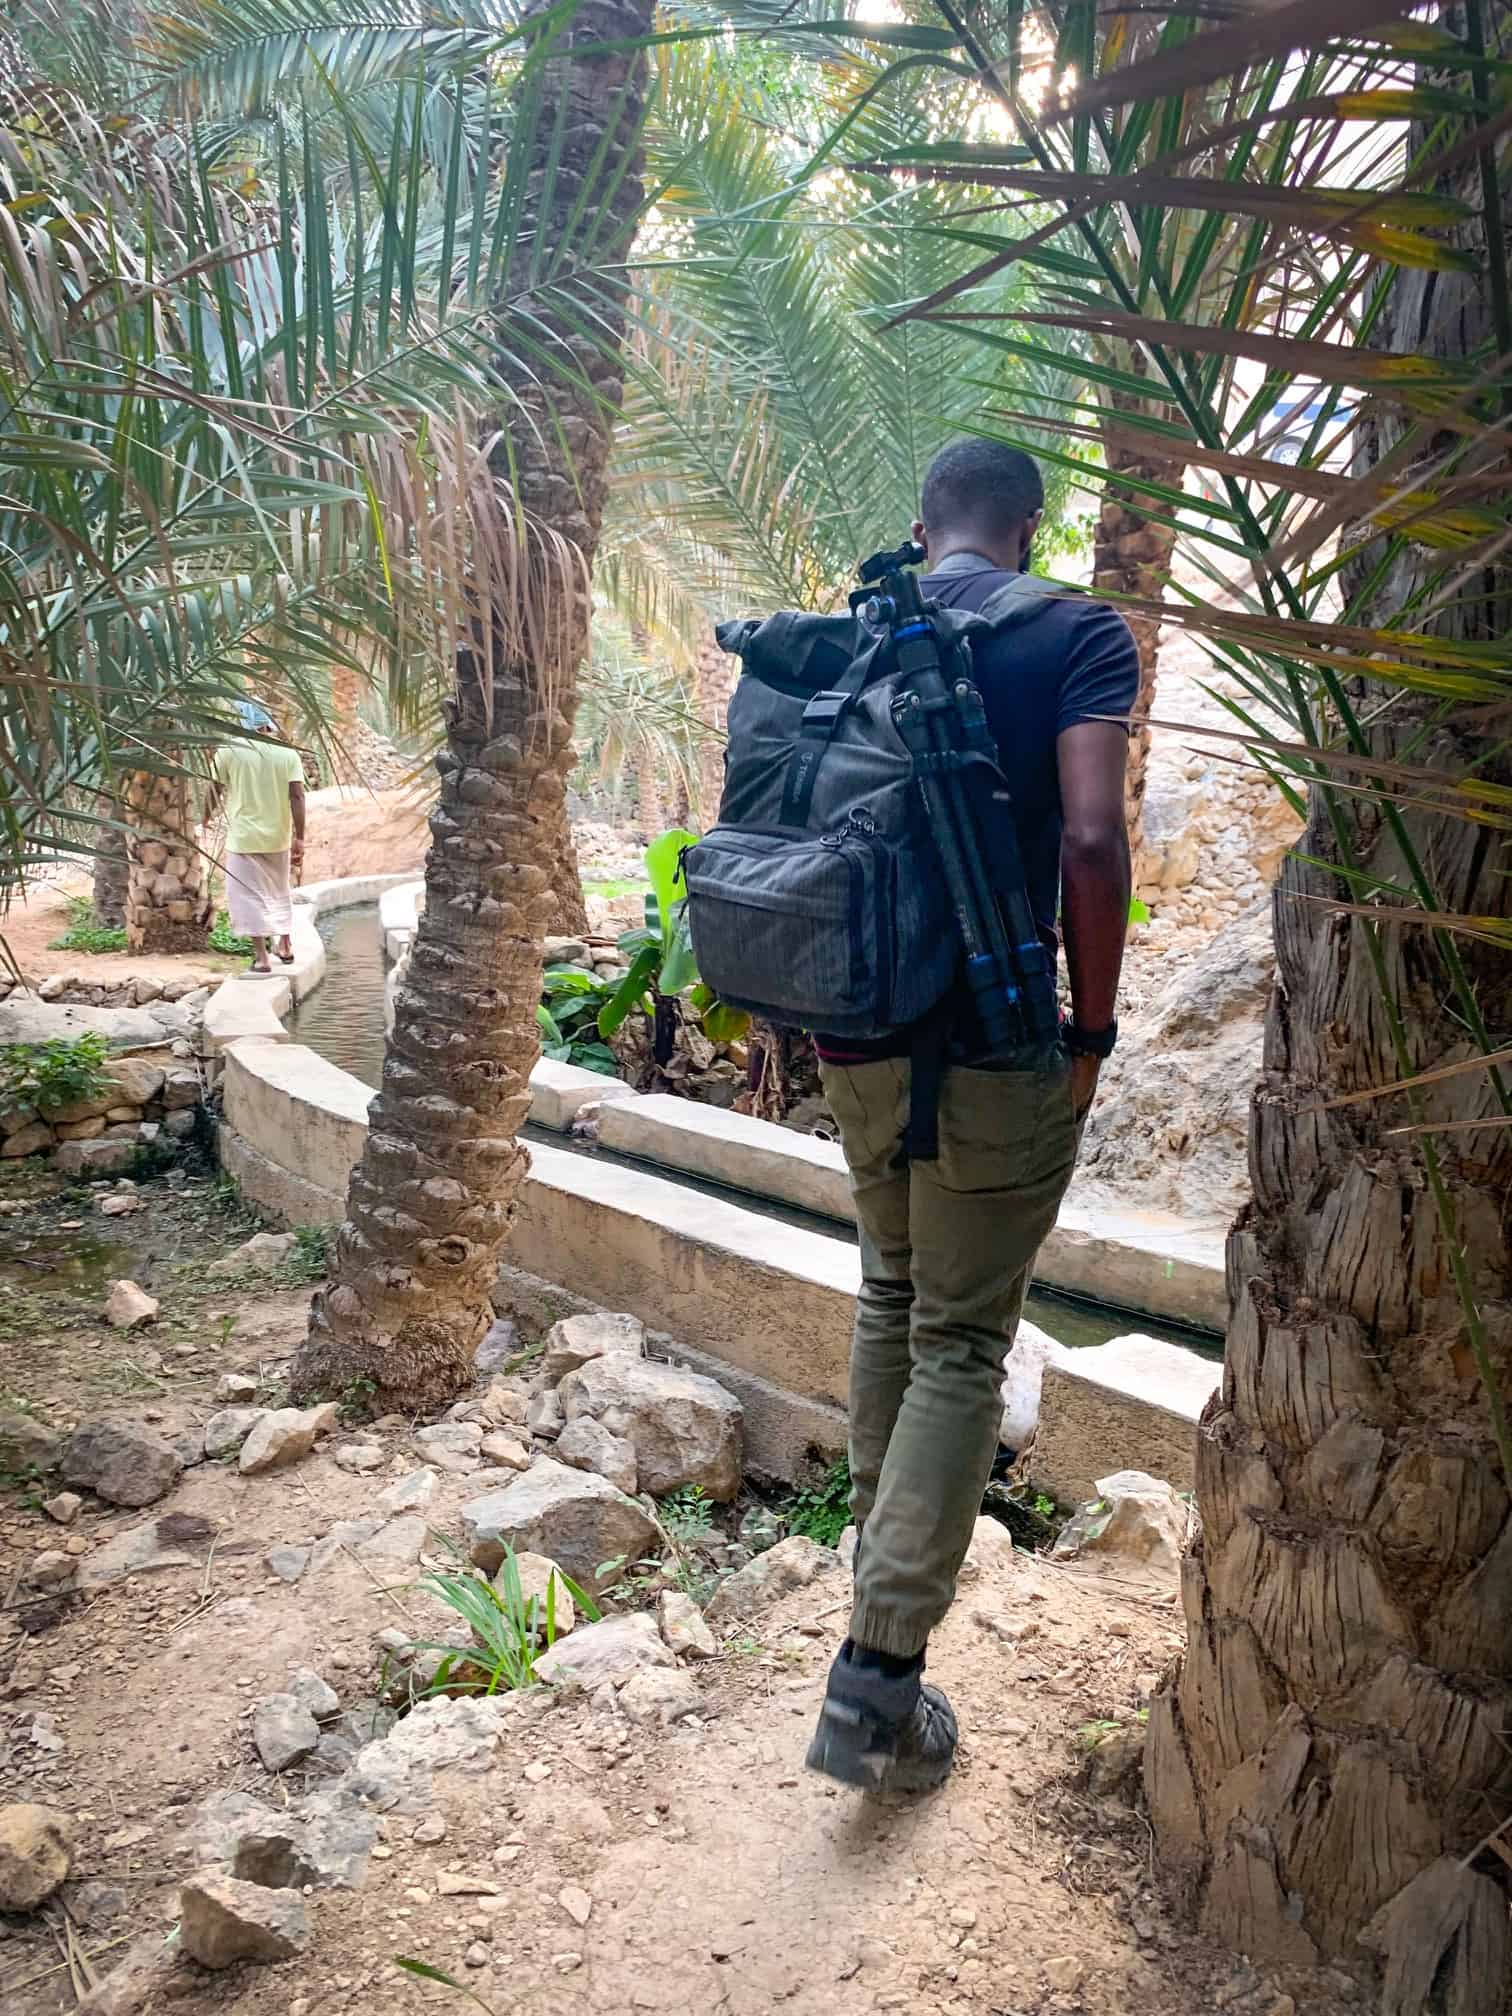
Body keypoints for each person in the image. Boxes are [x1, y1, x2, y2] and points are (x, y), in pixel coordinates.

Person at [804, 437, 1138, 1795]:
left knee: (892, 1291)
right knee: (958, 1340)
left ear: (923, 522)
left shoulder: (853, 635)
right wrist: (1094, 1030)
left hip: (855, 1024)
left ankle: (877, 1593)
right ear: (1030, 525)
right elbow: (1094, 838)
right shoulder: (1078, 633)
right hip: (996, 1035)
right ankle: (878, 1679)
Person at [209, 702, 306, 974]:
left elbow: (214, 789)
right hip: (278, 836)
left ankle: (262, 958)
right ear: (268, 721)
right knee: (279, 890)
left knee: (247, 896)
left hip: (243, 838)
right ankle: (285, 945)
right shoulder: (287, 753)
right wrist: (300, 837)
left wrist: (204, 816)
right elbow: (297, 796)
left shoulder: (228, 750)